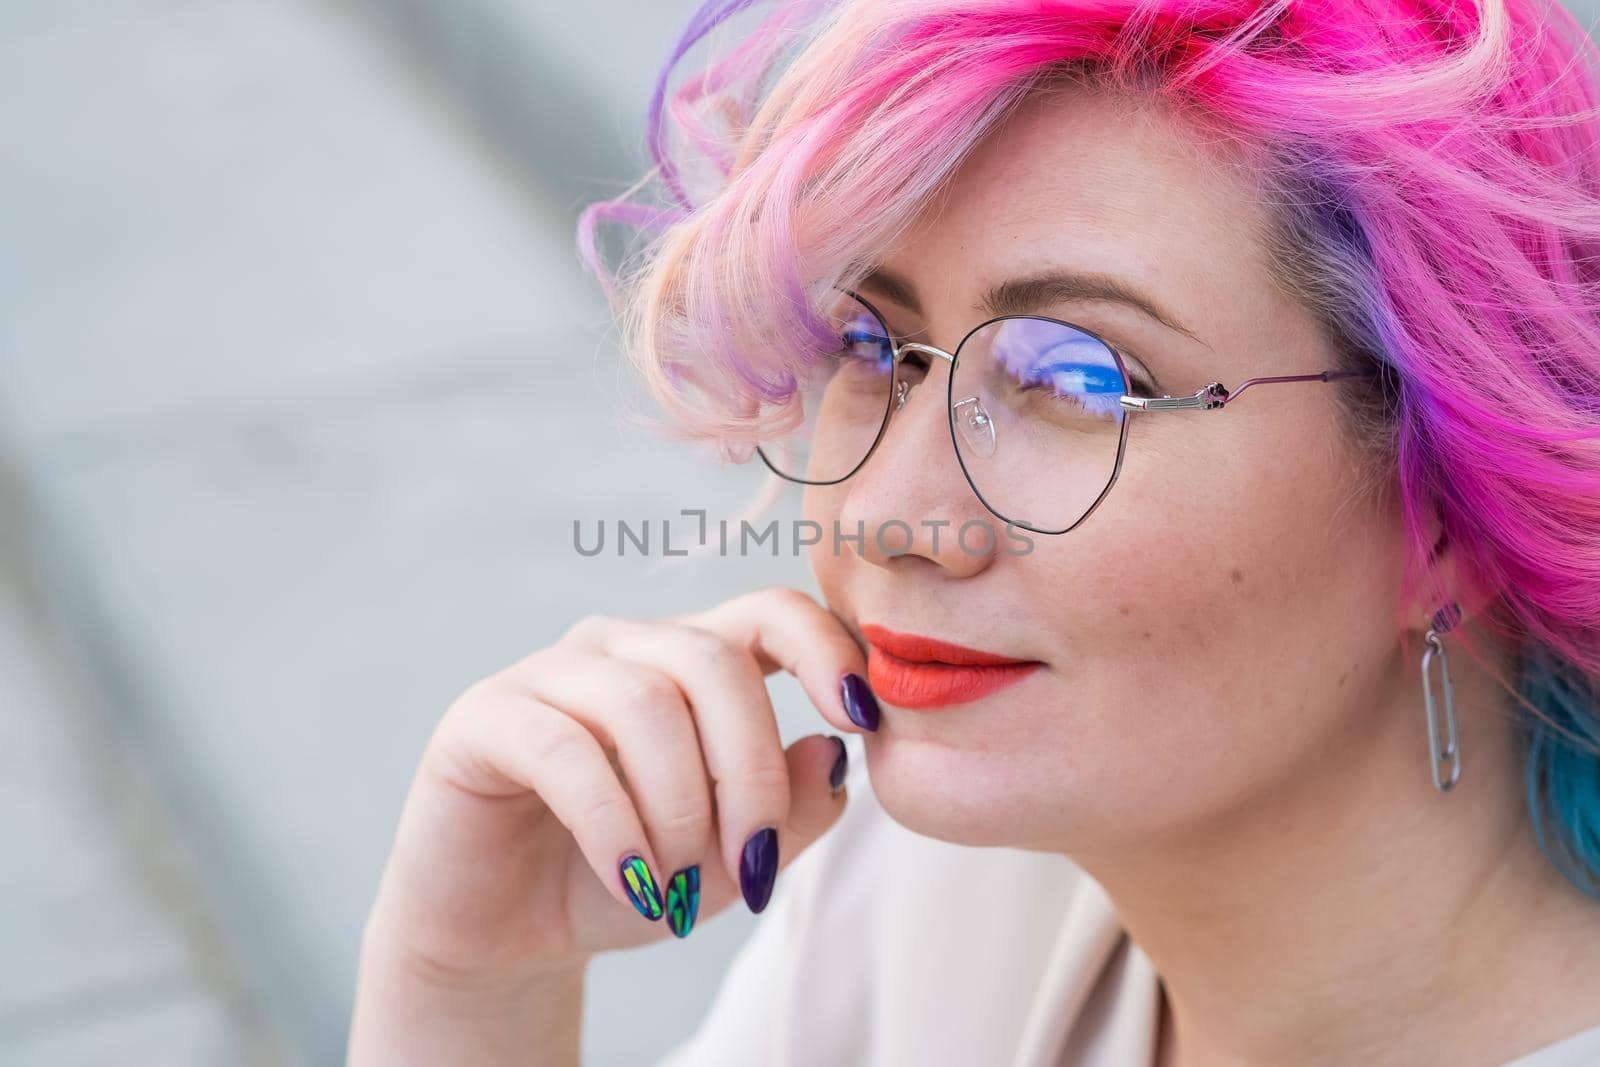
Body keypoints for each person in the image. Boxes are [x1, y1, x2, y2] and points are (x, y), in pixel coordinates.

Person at [345, 0, 1600, 1063]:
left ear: (1449, 505)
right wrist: (472, 981)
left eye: (1079, 378)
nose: (889, 513)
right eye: (869, 346)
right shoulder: (927, 883)